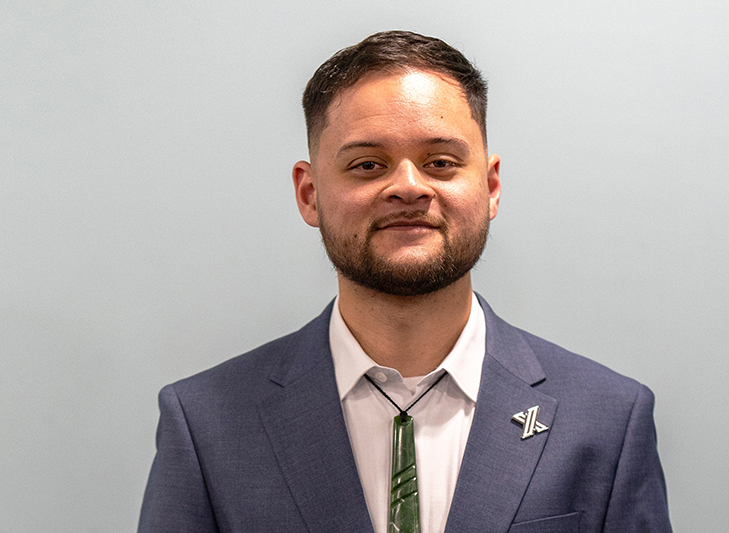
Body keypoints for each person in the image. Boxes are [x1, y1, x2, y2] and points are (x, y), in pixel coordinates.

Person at [138, 30, 671, 533]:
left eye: (440, 162)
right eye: (368, 165)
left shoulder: (608, 420)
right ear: (309, 194)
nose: (409, 187)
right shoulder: (206, 426)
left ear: (489, 186)